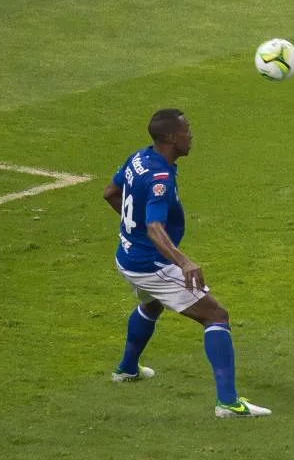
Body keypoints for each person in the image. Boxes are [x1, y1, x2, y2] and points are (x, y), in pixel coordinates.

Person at [103, 109, 271, 418]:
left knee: (152, 305)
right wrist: (184, 262)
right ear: (170, 137)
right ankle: (228, 403)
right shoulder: (160, 178)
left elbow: (110, 193)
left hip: (126, 257)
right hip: (151, 265)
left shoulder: (138, 158)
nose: (190, 135)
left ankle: (127, 369)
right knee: (216, 316)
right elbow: (154, 229)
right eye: (186, 130)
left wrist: (135, 232)